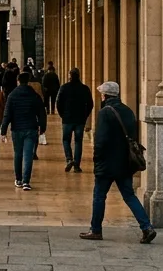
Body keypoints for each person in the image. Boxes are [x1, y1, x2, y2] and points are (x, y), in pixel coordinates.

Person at [81, 81, 156, 244]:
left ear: (105, 95)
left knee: (99, 196)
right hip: (124, 162)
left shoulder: (105, 112)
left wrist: (97, 160)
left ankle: (95, 230)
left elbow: (100, 140)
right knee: (129, 195)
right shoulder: (128, 111)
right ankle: (147, 227)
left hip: (107, 163)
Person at [0, 72, 47, 190]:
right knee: (28, 155)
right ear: (28, 82)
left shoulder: (12, 95)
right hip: (31, 128)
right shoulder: (34, 95)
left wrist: (3, 131)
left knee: (18, 154)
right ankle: (26, 181)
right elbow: (42, 113)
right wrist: (42, 128)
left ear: (18, 81)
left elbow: (7, 114)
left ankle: (18, 179)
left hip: (17, 129)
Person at [56, 67, 94, 173]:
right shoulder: (84, 88)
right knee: (78, 141)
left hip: (67, 119)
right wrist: (85, 115)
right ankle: (77, 165)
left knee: (66, 140)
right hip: (80, 119)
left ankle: (69, 159)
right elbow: (90, 104)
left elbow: (58, 103)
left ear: (70, 76)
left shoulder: (64, 88)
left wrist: (62, 115)